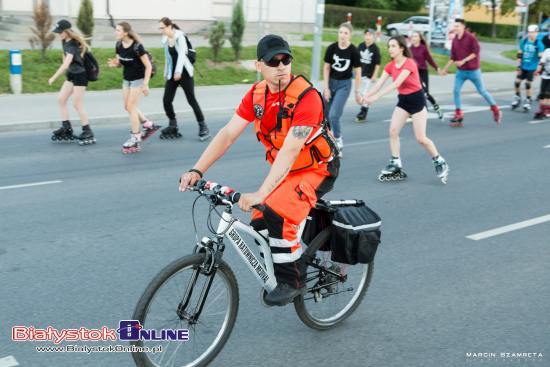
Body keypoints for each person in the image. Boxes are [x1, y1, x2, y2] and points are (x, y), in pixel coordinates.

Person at [178, 35, 339, 306]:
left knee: (277, 212)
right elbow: (228, 133)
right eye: (272, 61)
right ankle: (291, 257)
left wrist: (261, 193)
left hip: (317, 168)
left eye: (285, 59)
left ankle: (291, 281)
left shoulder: (307, 98)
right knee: (259, 221)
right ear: (258, 65)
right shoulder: (256, 96)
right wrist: (197, 169)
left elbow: (290, 149)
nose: (281, 66)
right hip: (286, 170)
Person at [364, 36, 449, 184]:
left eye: (393, 46)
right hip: (403, 101)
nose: (390, 49)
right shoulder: (390, 65)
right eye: (389, 46)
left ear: (401, 48)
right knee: (393, 131)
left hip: (417, 101)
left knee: (421, 138)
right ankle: (396, 163)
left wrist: (375, 98)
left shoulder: (409, 63)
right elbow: (378, 84)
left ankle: (439, 161)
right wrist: (366, 97)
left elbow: (397, 83)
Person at [107, 22, 158, 154]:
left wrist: (146, 84)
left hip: (138, 79)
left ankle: (135, 137)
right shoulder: (118, 45)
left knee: (131, 107)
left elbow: (148, 66)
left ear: (125, 32)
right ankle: (148, 124)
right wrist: (115, 64)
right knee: (128, 106)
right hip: (127, 79)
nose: (115, 32)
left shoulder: (137, 46)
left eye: (118, 30)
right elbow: (121, 62)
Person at [440, 18, 502, 127]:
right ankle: (458, 114)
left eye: (457, 26)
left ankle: (495, 109)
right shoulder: (454, 40)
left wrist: (463, 60)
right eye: (454, 26)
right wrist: (445, 69)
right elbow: (453, 57)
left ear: (463, 27)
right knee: (456, 91)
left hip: (473, 71)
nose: (455, 28)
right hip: (461, 72)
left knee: (482, 91)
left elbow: (476, 52)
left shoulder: (470, 38)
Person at [158, 17, 210, 141]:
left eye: (163, 28)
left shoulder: (180, 36)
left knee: (191, 99)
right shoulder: (165, 39)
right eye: (160, 28)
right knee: (166, 100)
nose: (161, 30)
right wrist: (167, 72)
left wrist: (178, 71)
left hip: (184, 72)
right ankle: (173, 125)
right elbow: (168, 57)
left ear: (169, 26)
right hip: (172, 74)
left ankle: (203, 126)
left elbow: (182, 54)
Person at [48, 19, 95, 145]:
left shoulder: (72, 44)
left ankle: (87, 130)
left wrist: (53, 77)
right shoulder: (64, 41)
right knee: (61, 99)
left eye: (60, 32)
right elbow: (65, 60)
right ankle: (66, 127)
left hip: (80, 75)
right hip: (72, 74)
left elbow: (65, 64)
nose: (59, 34)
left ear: (67, 31)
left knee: (76, 104)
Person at [323, 22, 362, 156]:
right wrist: (326, 88)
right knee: (325, 116)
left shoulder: (354, 51)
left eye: (346, 33)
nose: (342, 35)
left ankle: (338, 140)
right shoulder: (331, 48)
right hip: (331, 84)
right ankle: (327, 141)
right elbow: (326, 68)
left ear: (350, 35)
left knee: (334, 115)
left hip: (344, 85)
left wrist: (357, 92)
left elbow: (358, 73)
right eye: (340, 32)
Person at [410, 31, 444, 120]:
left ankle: (436, 107)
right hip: (414, 73)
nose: (413, 38)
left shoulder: (423, 48)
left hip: (423, 72)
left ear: (419, 38)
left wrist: (437, 68)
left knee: (425, 93)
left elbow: (430, 60)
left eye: (415, 36)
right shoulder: (409, 49)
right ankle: (419, 111)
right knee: (414, 92)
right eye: (412, 36)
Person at [512, 25, 544, 112]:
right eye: (530, 32)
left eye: (533, 32)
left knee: (527, 84)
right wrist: (518, 66)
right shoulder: (524, 41)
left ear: (537, 33)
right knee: (517, 82)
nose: (531, 34)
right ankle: (517, 97)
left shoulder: (539, 44)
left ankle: (528, 100)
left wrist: (538, 69)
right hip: (523, 66)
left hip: (532, 67)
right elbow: (519, 53)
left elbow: (541, 58)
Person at [355, 29, 381, 122]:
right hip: (360, 75)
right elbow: (356, 59)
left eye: (369, 35)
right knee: (360, 94)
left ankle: (363, 112)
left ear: (373, 37)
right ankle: (364, 108)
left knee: (366, 94)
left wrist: (375, 75)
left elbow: (377, 64)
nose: (367, 37)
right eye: (366, 35)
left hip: (369, 76)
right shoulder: (361, 46)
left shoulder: (375, 49)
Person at [534, 40, 550, 119]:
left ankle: (546, 110)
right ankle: (542, 109)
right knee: (542, 94)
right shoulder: (547, 51)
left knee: (548, 94)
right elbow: (541, 63)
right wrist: (537, 71)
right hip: (545, 76)